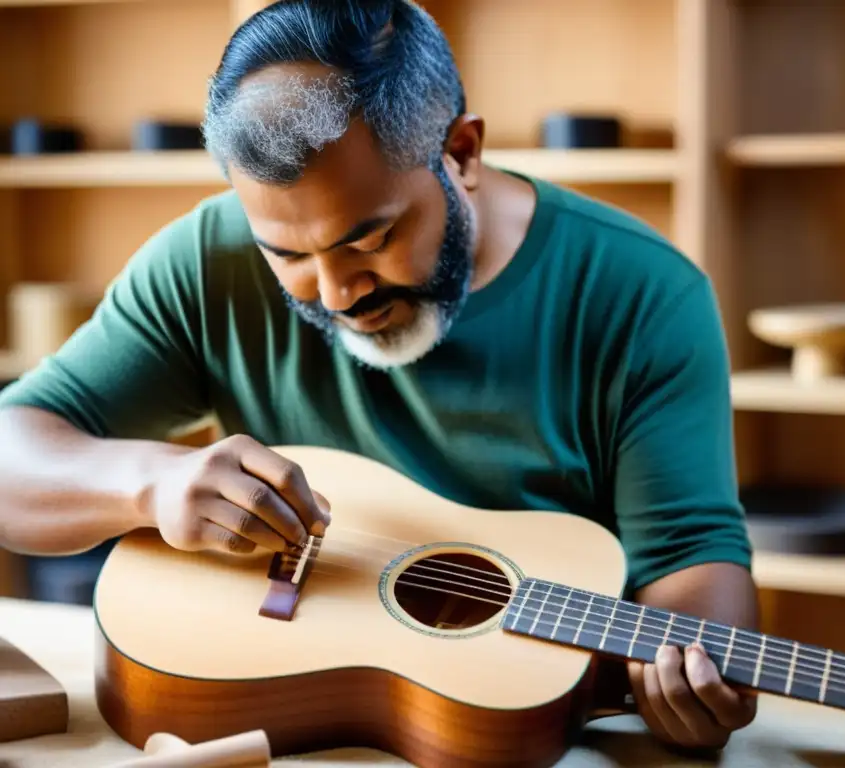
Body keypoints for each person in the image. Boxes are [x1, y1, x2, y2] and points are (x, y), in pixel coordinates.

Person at [0, 0, 758, 755]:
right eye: (288, 255)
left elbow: (691, 557)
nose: (334, 294)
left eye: (372, 238)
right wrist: (149, 483)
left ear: (460, 152)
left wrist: (696, 673)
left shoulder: (644, 293)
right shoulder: (207, 259)